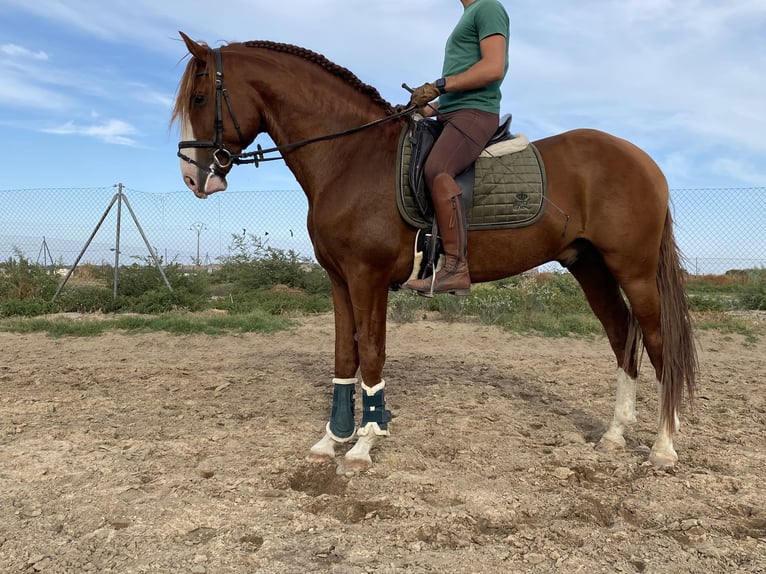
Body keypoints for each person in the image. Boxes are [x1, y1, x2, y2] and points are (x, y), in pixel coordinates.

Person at [404, 0, 510, 296]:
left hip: (476, 113)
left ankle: (455, 268)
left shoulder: (488, 7)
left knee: (438, 168)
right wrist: (429, 107)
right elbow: (456, 90)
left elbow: (492, 67)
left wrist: (440, 84)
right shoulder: (468, 15)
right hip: (453, 111)